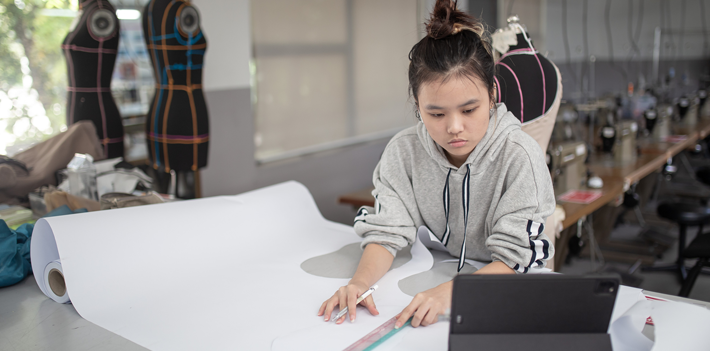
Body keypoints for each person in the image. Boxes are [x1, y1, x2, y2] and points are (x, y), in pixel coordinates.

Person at [318, 0, 555, 329]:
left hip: (502, 286)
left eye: (469, 110)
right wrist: (359, 284)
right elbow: (387, 232)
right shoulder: (404, 152)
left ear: (492, 95)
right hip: (441, 269)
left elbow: (515, 259)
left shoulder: (519, 156)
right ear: (418, 106)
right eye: (436, 114)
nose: (454, 127)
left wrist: (450, 293)